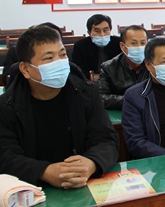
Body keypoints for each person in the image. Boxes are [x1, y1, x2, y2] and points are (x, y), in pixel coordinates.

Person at [0, 26, 119, 188]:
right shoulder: (7, 106)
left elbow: (106, 139)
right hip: (33, 189)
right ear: (26, 69)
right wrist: (44, 171)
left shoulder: (86, 93)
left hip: (83, 183)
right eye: (49, 58)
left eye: (62, 55)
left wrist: (91, 163)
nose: (60, 62)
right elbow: (6, 156)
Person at [98, 25, 150, 110]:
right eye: (133, 43)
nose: (139, 47)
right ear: (122, 46)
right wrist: (128, 100)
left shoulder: (153, 64)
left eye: (143, 43)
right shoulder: (109, 67)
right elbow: (101, 96)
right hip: (122, 111)